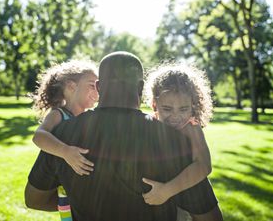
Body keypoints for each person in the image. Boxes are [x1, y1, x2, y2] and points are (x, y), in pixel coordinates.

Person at [25, 51, 223, 221]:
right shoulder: (173, 140)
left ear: (100, 87)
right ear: (140, 88)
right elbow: (210, 217)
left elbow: (34, 199)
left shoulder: (61, 136)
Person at [142, 64, 214, 220]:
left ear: (193, 105)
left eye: (183, 109)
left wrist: (166, 191)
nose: (175, 116)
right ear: (155, 104)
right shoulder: (150, 123)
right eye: (167, 109)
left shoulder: (191, 127)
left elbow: (204, 165)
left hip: (191, 193)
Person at [30, 60, 98, 220]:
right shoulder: (59, 114)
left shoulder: (87, 118)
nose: (97, 90)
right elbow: (39, 136)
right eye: (92, 85)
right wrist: (65, 151)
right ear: (71, 86)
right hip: (62, 185)